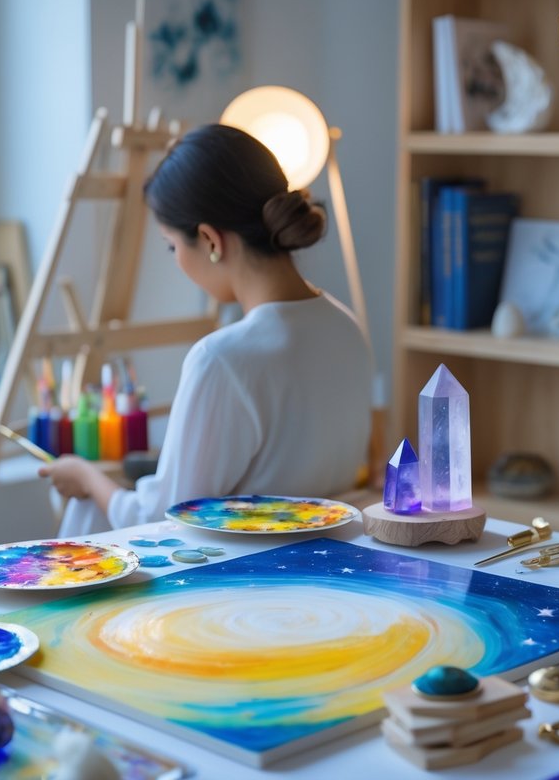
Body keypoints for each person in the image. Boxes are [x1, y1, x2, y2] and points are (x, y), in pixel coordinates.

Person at [40, 123, 373, 535]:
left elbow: (164, 519)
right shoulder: (347, 328)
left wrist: (88, 478)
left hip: (240, 578)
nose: (177, 260)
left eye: (171, 245)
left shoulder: (222, 358)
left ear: (210, 240)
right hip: (330, 564)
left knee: (89, 514)